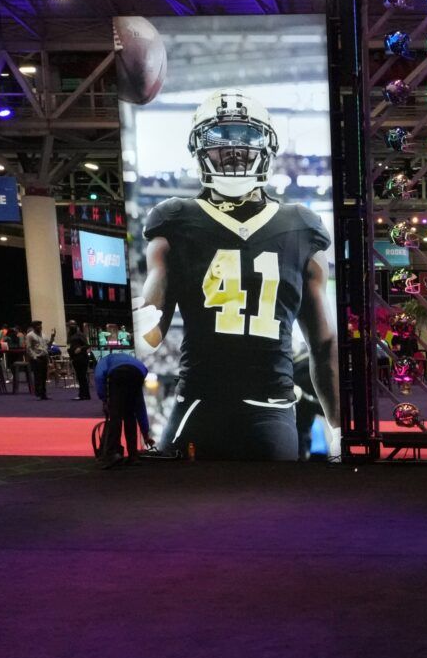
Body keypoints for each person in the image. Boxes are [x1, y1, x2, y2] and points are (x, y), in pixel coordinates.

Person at [134, 88, 341, 460]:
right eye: (219, 138)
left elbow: (323, 344)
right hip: (198, 397)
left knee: (272, 508)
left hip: (271, 406)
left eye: (248, 137)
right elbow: (152, 329)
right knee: (171, 505)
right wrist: (135, 325)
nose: (233, 149)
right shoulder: (176, 219)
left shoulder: (301, 226)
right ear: (200, 150)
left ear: (267, 147)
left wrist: (338, 425)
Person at [94, 347, 148, 467]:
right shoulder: (135, 361)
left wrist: (104, 400)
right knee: (130, 415)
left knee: (116, 416)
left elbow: (98, 378)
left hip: (118, 375)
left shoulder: (104, 361)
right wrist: (145, 433)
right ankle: (133, 456)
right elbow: (140, 406)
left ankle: (113, 454)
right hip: (138, 373)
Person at [67, 319, 92, 401]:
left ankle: (84, 395)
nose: (71, 326)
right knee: (80, 377)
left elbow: (87, 345)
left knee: (82, 377)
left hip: (82, 358)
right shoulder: (70, 335)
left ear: (76, 325)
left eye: (73, 324)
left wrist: (80, 348)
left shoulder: (80, 334)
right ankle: (84, 394)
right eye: (70, 325)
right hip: (75, 358)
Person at [23, 321, 49, 399]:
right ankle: (38, 393)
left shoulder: (43, 335)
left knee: (44, 376)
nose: (40, 327)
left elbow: (48, 345)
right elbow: (28, 348)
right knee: (38, 376)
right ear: (34, 327)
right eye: (38, 326)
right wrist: (34, 357)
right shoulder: (30, 335)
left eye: (40, 325)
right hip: (37, 358)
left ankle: (43, 394)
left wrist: (52, 338)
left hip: (44, 356)